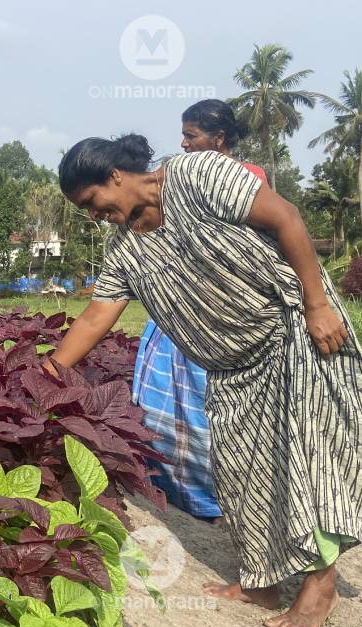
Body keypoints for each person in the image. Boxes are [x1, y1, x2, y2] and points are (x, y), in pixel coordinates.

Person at [47, 134, 362, 627]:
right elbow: (96, 317)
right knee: (243, 474)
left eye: (91, 202)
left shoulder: (198, 175)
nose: (92, 215)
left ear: (114, 177)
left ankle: (321, 587)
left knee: (303, 458)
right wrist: (48, 375)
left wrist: (317, 304)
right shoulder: (125, 250)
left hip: (290, 331)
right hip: (232, 368)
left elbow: (287, 218)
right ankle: (262, 580)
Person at [133, 99, 268, 524]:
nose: (184, 143)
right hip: (179, 301)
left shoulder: (249, 178)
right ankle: (176, 489)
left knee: (208, 405)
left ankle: (220, 496)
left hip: (224, 306)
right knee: (164, 399)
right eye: (184, 135)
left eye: (191, 136)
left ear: (219, 139)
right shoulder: (174, 173)